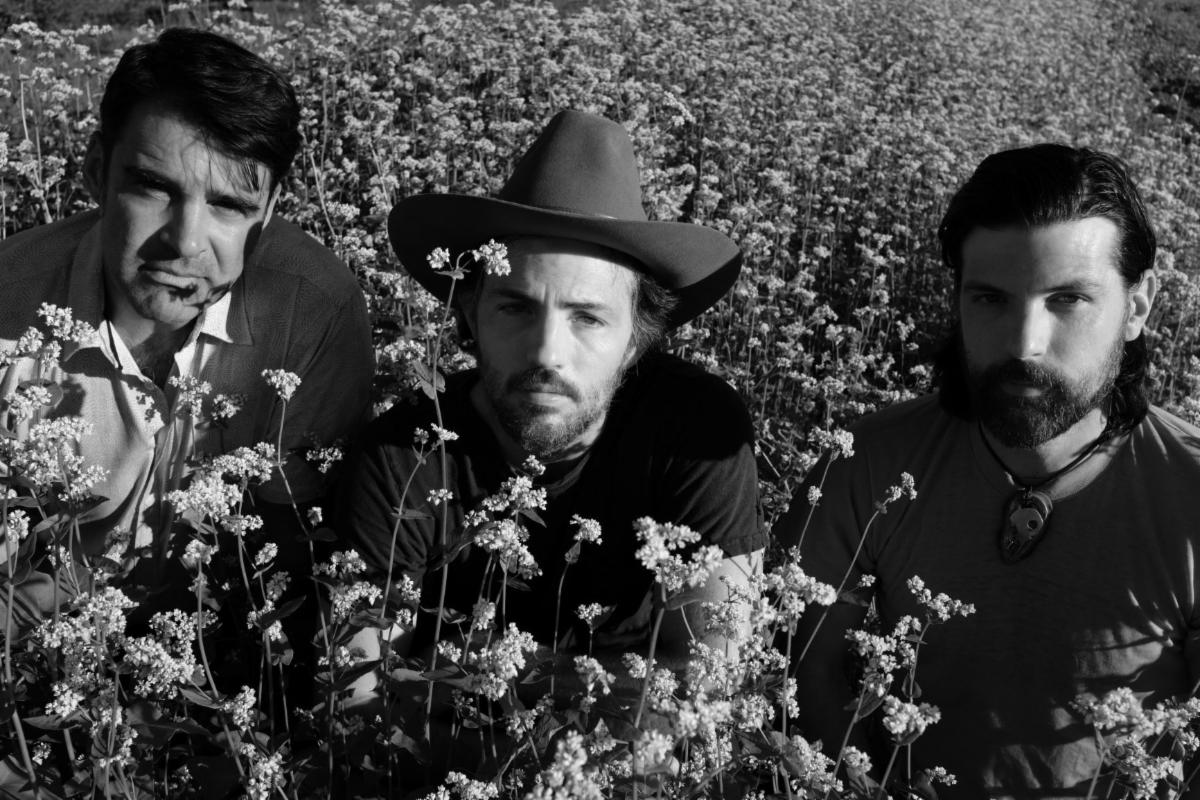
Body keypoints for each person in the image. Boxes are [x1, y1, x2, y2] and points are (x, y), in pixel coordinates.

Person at [780, 144, 1200, 797]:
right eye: (990, 299)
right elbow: (808, 694)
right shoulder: (864, 467)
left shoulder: (1188, 496)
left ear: (1139, 305)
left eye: (1068, 299)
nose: (1025, 343)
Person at [339, 110, 766, 714]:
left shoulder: (697, 430)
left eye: (587, 317)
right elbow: (355, 699)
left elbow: (713, 680)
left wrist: (488, 675)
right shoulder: (403, 454)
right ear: (469, 315)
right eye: (515, 308)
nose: (545, 353)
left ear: (637, 341)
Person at [0, 28, 373, 622]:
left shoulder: (313, 310)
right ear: (96, 171)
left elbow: (296, 539)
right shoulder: (10, 302)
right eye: (154, 189)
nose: (185, 242)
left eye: (230, 205)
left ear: (270, 210)